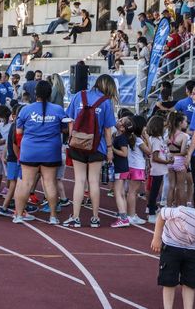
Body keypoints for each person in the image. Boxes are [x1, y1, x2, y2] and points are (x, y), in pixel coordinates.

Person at [63, 75, 118, 229]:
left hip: (78, 143)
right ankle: (95, 217)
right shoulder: (106, 102)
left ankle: (76, 217)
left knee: (79, 181)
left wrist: (73, 138)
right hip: (97, 146)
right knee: (94, 181)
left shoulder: (79, 95)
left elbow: (70, 120)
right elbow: (108, 129)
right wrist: (109, 149)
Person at [12, 81, 66, 225]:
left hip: (30, 151)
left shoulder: (25, 110)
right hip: (51, 151)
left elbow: (18, 133)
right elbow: (65, 129)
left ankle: (18, 215)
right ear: (50, 93)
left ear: (36, 93)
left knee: (25, 184)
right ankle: (53, 216)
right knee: (49, 183)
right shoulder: (58, 109)